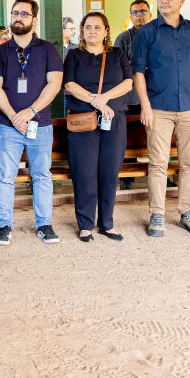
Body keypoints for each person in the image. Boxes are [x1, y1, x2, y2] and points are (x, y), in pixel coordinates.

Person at [133, 0, 190, 238]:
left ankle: (187, 212)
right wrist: (145, 105)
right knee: (158, 164)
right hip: (159, 108)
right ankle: (156, 214)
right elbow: (138, 72)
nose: (164, 1)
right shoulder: (147, 32)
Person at [0, 0, 63, 245]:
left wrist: (30, 111)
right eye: (15, 13)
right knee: (5, 177)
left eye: (24, 14)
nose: (18, 17)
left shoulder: (48, 49)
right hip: (6, 125)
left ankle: (44, 224)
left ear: (35, 19)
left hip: (39, 125)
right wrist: (13, 116)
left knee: (41, 175)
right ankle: (4, 225)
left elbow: (54, 85)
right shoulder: (0, 51)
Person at [63, 12, 132, 241]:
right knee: (85, 173)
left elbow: (128, 83)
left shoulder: (117, 54)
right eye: (88, 27)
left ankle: (107, 223)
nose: (92, 31)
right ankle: (85, 224)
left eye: (97, 27)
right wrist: (96, 101)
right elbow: (70, 85)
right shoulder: (74, 55)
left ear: (105, 31)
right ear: (82, 31)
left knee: (109, 172)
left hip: (114, 121)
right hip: (83, 121)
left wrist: (105, 98)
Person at [113, 0, 153, 114]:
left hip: (155, 93)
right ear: (130, 17)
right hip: (132, 97)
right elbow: (117, 68)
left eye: (143, 11)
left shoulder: (159, 36)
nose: (139, 15)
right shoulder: (123, 38)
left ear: (150, 14)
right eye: (134, 12)